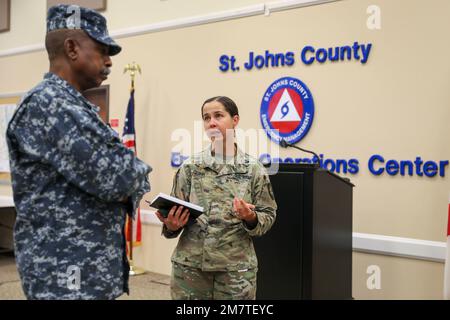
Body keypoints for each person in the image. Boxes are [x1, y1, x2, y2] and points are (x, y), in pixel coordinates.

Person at [6, 5, 151, 300]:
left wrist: (127, 174)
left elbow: (118, 175)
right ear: (72, 48)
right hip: (65, 274)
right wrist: (131, 175)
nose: (109, 61)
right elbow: (119, 178)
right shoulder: (50, 105)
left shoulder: (74, 107)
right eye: (102, 50)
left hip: (86, 270)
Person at [156, 96, 277, 300]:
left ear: (235, 120)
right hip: (190, 269)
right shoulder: (190, 167)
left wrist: (250, 217)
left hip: (236, 272)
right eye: (206, 117)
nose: (211, 122)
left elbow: (268, 214)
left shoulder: (253, 169)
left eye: (218, 115)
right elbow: (172, 216)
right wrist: (171, 225)